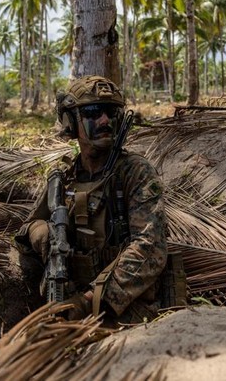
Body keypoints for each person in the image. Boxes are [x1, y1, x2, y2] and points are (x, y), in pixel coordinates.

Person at [15, 75, 168, 324]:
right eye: (93, 112)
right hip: (72, 298)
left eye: (111, 112)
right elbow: (24, 231)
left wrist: (88, 301)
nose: (104, 120)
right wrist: (43, 235)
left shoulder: (135, 172)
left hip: (125, 310)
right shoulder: (64, 177)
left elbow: (150, 248)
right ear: (71, 121)